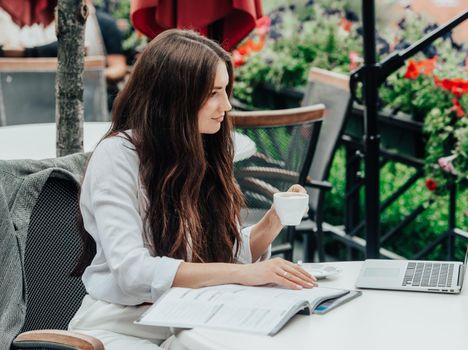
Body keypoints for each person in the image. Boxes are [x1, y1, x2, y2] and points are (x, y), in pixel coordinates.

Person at [67, 29, 317, 350]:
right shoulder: (118, 156)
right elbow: (134, 273)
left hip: (190, 320)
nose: (226, 105)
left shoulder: (200, 150)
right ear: (174, 97)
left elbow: (212, 257)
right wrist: (245, 275)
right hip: (122, 327)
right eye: (213, 92)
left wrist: (272, 222)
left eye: (225, 90)